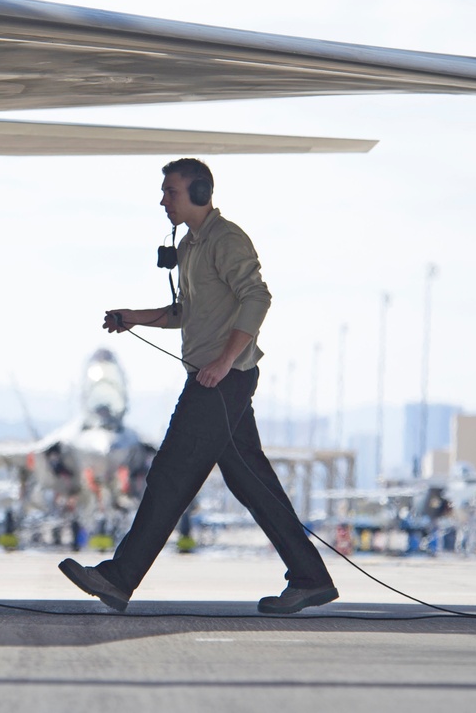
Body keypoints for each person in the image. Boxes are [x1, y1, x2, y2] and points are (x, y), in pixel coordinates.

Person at [58, 158, 338, 614]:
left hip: (221, 380)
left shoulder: (226, 240)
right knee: (252, 482)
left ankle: (119, 577)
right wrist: (134, 318)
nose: (163, 199)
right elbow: (184, 312)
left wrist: (225, 362)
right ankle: (310, 577)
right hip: (217, 377)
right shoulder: (190, 246)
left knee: (169, 473)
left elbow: (257, 297)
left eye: (171, 191)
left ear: (200, 192)